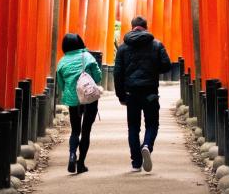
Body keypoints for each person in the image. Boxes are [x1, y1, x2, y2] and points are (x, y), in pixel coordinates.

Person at [114, 16, 171, 172]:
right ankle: (147, 145)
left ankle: (136, 163)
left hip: (131, 92)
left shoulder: (123, 48)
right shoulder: (156, 44)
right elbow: (167, 66)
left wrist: (120, 95)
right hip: (150, 91)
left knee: (133, 127)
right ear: (146, 27)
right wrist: (153, 69)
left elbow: (117, 73)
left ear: (132, 27)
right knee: (152, 124)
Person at [55, 33, 102, 174]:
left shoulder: (62, 62)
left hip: (73, 100)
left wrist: (70, 93)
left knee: (75, 130)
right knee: (86, 131)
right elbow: (98, 77)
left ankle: (71, 155)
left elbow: (61, 84)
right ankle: (81, 164)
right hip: (89, 99)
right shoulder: (87, 57)